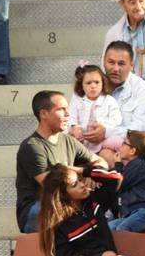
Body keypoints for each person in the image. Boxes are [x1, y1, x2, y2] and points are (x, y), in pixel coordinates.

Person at [16, 90, 108, 233]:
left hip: (65, 203)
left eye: (67, 109)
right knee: (79, 215)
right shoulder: (32, 147)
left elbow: (102, 162)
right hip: (38, 209)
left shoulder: (68, 141)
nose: (67, 114)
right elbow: (56, 188)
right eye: (61, 109)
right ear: (43, 114)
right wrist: (82, 176)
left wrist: (90, 174)